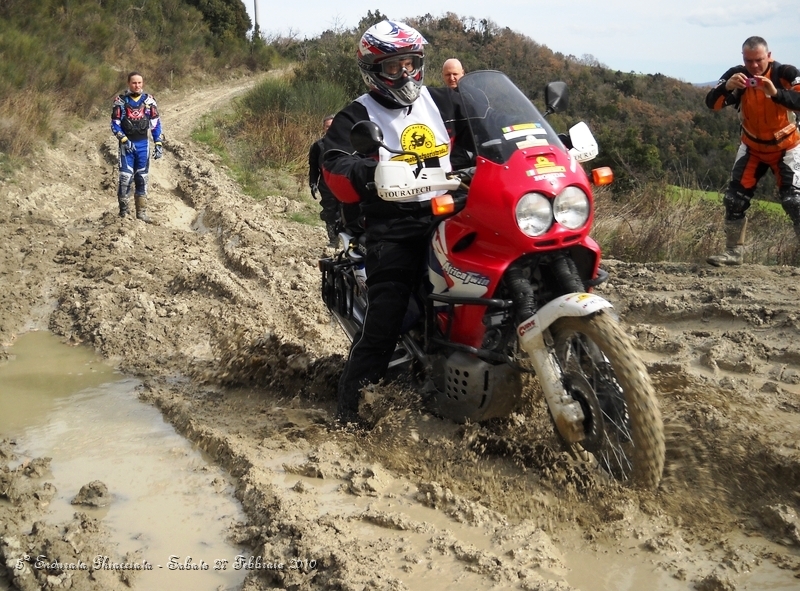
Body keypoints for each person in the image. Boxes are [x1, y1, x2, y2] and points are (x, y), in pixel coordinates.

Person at [322, 20, 465, 425]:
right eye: (393, 67)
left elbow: (491, 129)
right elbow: (334, 163)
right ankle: (348, 417)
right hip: (397, 226)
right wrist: (367, 174)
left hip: (454, 210)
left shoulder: (444, 101)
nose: (404, 74)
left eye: (411, 63)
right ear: (372, 69)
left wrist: (539, 140)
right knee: (388, 315)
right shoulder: (357, 115)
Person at [705, 36, 800, 266]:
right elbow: (712, 103)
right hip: (752, 147)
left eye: (758, 60)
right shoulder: (737, 74)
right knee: (734, 200)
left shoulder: (785, 73)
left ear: (769, 56)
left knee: (794, 202)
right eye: (749, 61)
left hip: (786, 146)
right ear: (743, 58)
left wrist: (775, 92)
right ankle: (733, 253)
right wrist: (726, 87)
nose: (754, 66)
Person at [110, 71, 164, 222]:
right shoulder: (120, 101)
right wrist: (124, 140)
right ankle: (123, 214)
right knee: (125, 178)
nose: (137, 85)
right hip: (126, 146)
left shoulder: (149, 101)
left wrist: (158, 143)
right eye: (134, 83)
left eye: (139, 83)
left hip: (143, 145)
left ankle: (141, 214)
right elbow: (115, 123)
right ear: (129, 83)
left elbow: (155, 123)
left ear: (143, 83)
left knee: (142, 178)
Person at [308, 115, 339, 245]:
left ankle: (351, 242)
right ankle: (333, 240)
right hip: (326, 184)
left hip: (345, 182)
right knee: (330, 212)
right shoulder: (317, 146)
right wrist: (313, 183)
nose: (330, 129)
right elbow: (313, 167)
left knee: (349, 212)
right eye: (327, 126)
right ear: (323, 128)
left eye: (332, 126)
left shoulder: (348, 142)